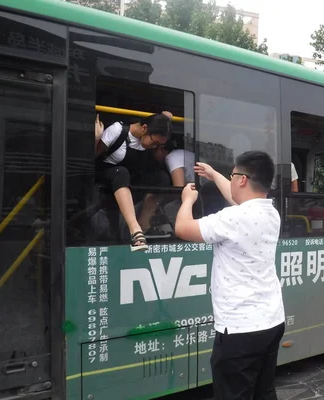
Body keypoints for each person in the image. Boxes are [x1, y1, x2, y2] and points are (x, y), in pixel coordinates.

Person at [175, 151, 285, 400]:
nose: (231, 180)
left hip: (239, 330)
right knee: (264, 392)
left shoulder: (232, 219)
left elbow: (182, 228)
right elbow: (239, 201)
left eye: (232, 175)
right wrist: (214, 175)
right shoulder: (270, 213)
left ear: (243, 179)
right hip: (271, 320)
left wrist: (187, 200)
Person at [95, 111, 172, 251]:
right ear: (144, 128)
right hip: (107, 177)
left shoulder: (147, 143)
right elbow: (94, 156)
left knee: (162, 178)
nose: (153, 147)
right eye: (154, 143)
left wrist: (165, 118)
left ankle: (143, 224)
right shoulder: (117, 130)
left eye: (158, 146)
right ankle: (134, 229)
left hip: (130, 180)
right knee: (121, 172)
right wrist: (96, 139)